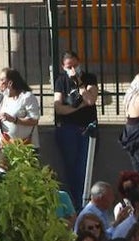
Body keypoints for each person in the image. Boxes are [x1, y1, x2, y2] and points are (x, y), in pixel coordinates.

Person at [52, 52, 99, 206]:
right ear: (63, 67)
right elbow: (59, 108)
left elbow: (90, 99)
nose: (72, 69)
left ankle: (84, 202)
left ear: (79, 63)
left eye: (75, 65)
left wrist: (78, 82)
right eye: (68, 67)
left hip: (87, 128)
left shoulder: (89, 78)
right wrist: (78, 106)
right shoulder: (61, 81)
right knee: (71, 167)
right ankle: (76, 203)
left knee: (84, 167)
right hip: (68, 128)